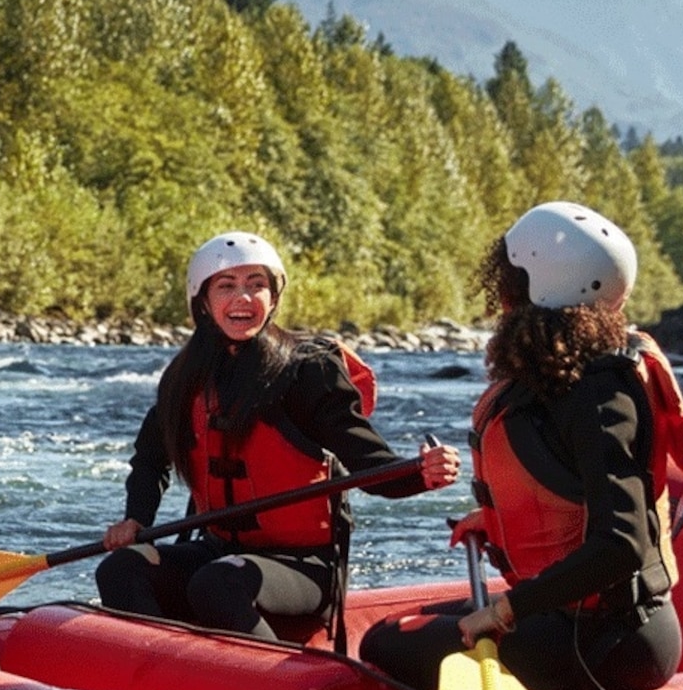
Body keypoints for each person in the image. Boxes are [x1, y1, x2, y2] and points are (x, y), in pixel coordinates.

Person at [360, 202, 683, 690]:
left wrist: (505, 611)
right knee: (398, 629)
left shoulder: (600, 393)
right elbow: (569, 489)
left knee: (388, 645)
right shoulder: (565, 376)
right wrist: (501, 517)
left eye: (508, 276)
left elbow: (620, 545)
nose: (500, 289)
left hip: (614, 640)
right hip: (576, 618)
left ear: (532, 287)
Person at [95, 232, 459, 637]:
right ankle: (156, 677)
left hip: (303, 565)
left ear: (273, 298)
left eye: (257, 285)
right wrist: (135, 518)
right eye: (227, 286)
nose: (244, 298)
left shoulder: (307, 372)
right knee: (121, 568)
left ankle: (277, 683)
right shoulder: (185, 378)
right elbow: (150, 460)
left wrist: (421, 474)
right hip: (219, 550)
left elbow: (367, 463)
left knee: (218, 583)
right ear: (202, 300)